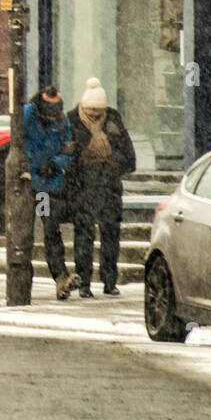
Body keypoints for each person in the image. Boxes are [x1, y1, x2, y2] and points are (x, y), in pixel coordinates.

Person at [65, 78, 136, 297]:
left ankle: (109, 282)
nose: (95, 115)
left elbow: (130, 158)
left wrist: (112, 162)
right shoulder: (71, 121)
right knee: (84, 238)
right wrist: (82, 160)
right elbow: (66, 159)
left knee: (111, 237)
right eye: (91, 111)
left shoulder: (113, 120)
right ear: (83, 107)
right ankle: (84, 283)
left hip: (109, 189)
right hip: (83, 190)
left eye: (99, 111)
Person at [24, 86, 76, 300]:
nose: (53, 118)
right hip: (28, 183)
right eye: (50, 114)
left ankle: (60, 276)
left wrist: (54, 164)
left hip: (48, 186)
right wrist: (30, 167)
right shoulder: (28, 116)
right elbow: (16, 142)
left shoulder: (63, 122)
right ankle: (27, 279)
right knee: (24, 232)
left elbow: (68, 152)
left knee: (50, 228)